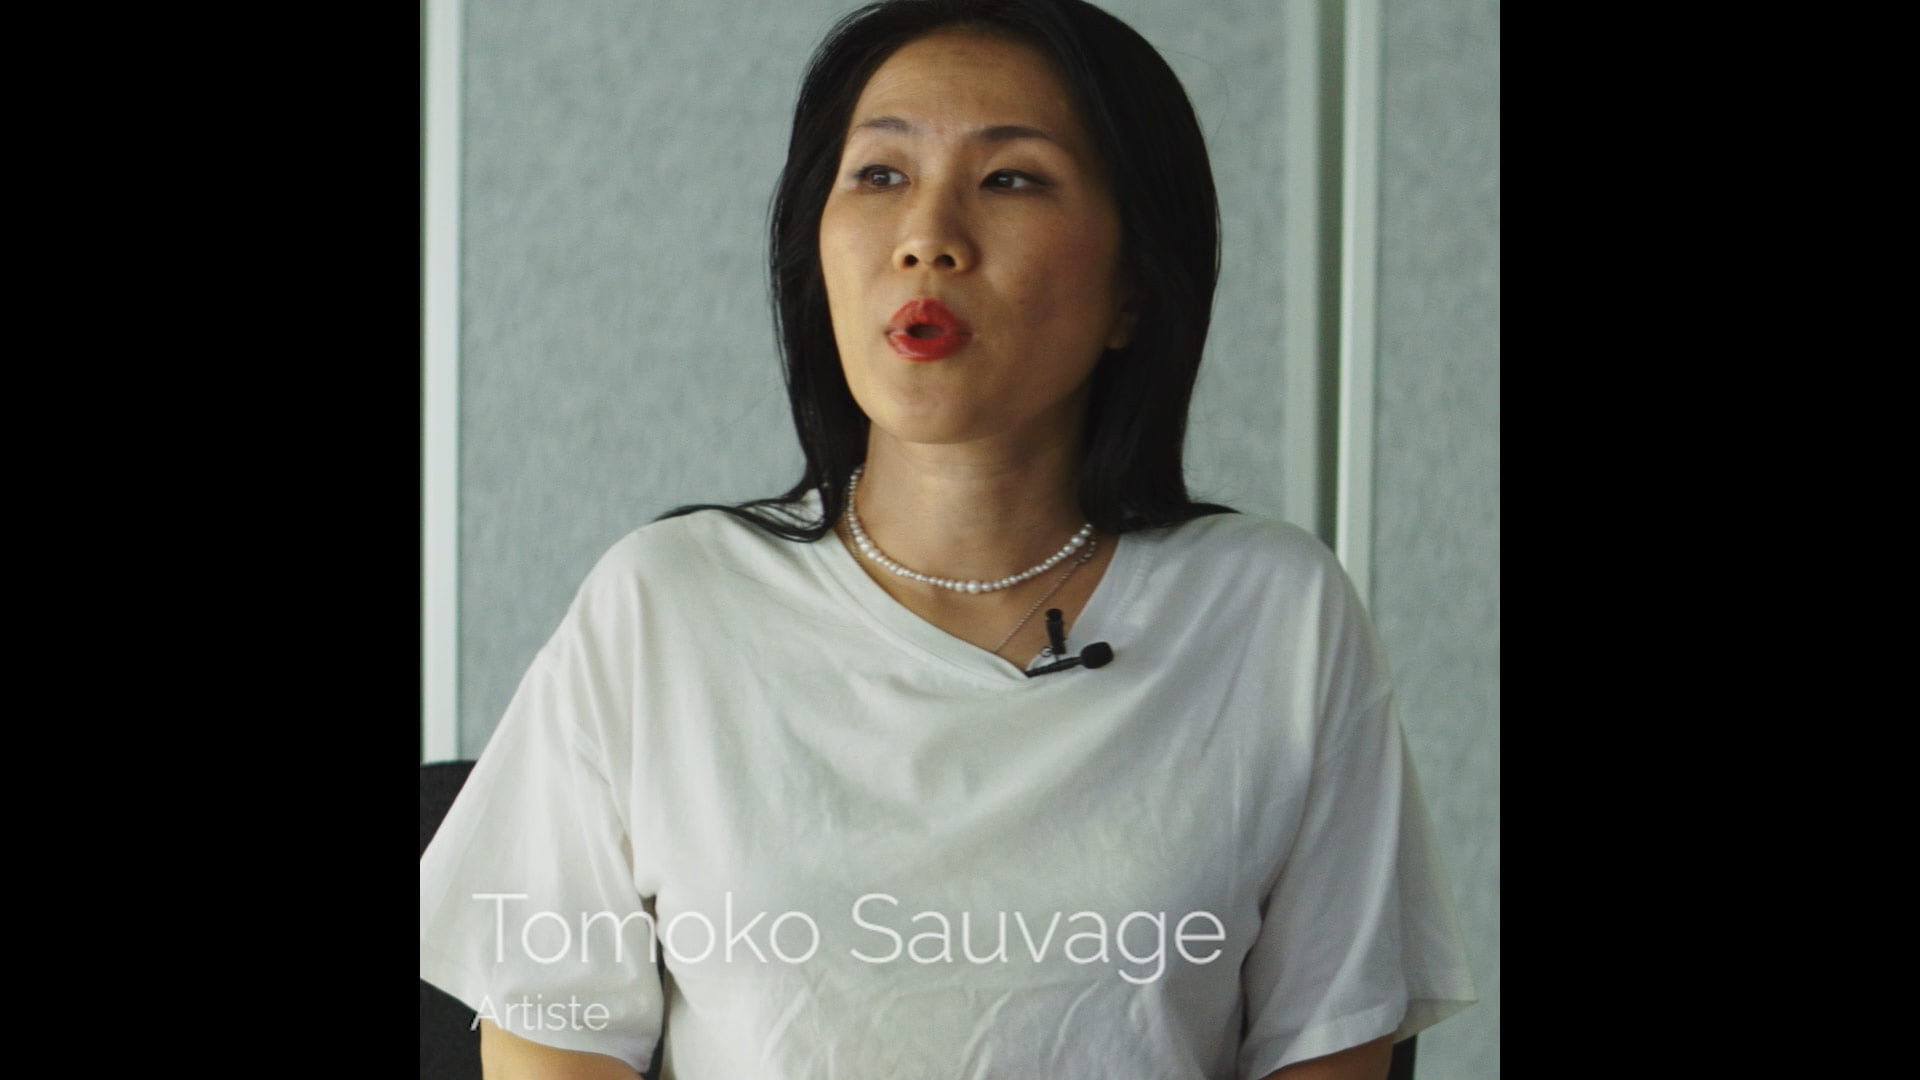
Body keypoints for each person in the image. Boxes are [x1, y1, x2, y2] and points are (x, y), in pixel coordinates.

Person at [419, 1, 1477, 1077]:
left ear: (1134, 286)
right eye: (880, 174)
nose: (927, 235)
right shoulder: (664, 605)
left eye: (1011, 179)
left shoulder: (1274, 615)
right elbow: (549, 1037)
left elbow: (1328, 1041)